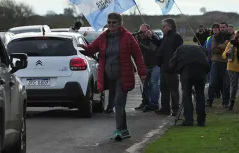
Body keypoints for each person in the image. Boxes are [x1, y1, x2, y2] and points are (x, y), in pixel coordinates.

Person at [77, 13, 146, 141]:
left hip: (123, 75)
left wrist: (142, 73)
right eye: (109, 22)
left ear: (120, 23)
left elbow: (138, 55)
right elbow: (92, 49)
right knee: (116, 104)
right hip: (109, 76)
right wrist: (83, 49)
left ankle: (119, 131)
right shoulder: (103, 37)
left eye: (114, 22)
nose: (111, 25)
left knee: (119, 103)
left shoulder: (128, 37)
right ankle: (124, 130)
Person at [169, 44, 210, 126]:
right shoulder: (202, 49)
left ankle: (189, 120)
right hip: (201, 71)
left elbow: (172, 63)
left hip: (187, 72)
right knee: (200, 95)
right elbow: (207, 61)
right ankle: (201, 120)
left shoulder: (179, 49)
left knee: (186, 95)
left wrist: (174, 70)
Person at [156, 18, 183, 116]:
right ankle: (165, 108)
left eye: (164, 26)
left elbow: (179, 52)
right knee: (163, 88)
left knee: (173, 89)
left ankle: (175, 109)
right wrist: (151, 37)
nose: (162, 28)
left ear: (169, 26)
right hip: (163, 66)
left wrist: (174, 65)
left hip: (171, 67)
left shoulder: (176, 37)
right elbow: (159, 45)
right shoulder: (165, 37)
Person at [222, 29, 239, 112]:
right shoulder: (231, 43)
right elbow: (223, 55)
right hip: (232, 68)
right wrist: (227, 52)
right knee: (234, 87)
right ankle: (231, 103)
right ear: (236, 37)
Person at [134, 24, 161, 113]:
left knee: (153, 83)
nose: (142, 33)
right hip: (145, 64)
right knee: (144, 85)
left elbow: (151, 50)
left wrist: (139, 44)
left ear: (149, 30)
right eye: (140, 31)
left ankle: (154, 104)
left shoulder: (153, 37)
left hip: (155, 64)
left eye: (143, 31)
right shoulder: (139, 38)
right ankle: (146, 102)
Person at [207, 22, 231, 108]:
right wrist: (225, 46)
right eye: (221, 27)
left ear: (227, 27)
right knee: (212, 82)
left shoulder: (231, 36)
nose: (222, 28)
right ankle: (209, 101)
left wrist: (220, 47)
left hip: (227, 63)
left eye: (224, 27)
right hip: (216, 62)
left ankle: (225, 102)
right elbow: (213, 49)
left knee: (226, 84)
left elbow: (232, 49)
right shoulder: (215, 37)